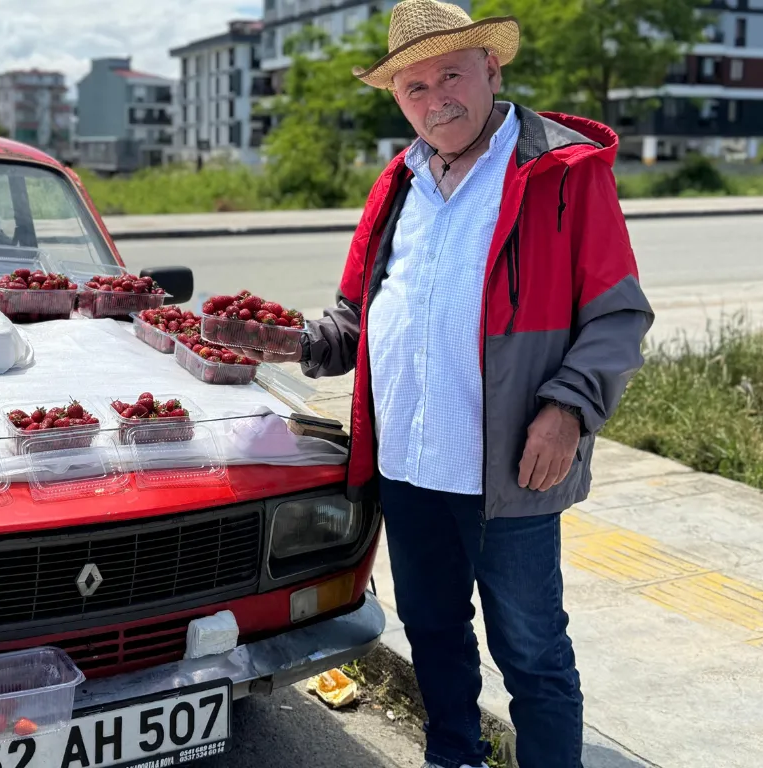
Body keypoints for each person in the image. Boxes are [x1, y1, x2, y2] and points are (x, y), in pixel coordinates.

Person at [235, 2, 653, 766]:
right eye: (415, 87)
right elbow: (357, 321)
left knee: (531, 652)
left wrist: (567, 411)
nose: (436, 100)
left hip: (511, 476)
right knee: (432, 634)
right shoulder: (398, 181)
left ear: (493, 70)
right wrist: (289, 342)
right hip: (408, 469)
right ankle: (452, 756)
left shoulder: (562, 171)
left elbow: (618, 316)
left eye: (451, 75)